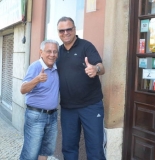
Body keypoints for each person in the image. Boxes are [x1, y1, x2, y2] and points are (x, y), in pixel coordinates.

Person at [56, 16, 106, 160]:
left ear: (74, 29)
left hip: (91, 106)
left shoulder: (86, 46)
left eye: (69, 29)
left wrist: (95, 69)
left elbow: (102, 67)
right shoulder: (58, 52)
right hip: (68, 108)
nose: (65, 33)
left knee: (95, 149)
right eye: (62, 30)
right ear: (58, 32)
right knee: (69, 148)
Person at [19, 39, 59, 160]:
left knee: (45, 151)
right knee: (30, 154)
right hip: (36, 116)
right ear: (41, 52)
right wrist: (37, 79)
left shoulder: (56, 68)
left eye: (55, 52)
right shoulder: (35, 67)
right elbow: (22, 89)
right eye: (49, 51)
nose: (52, 55)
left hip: (52, 116)